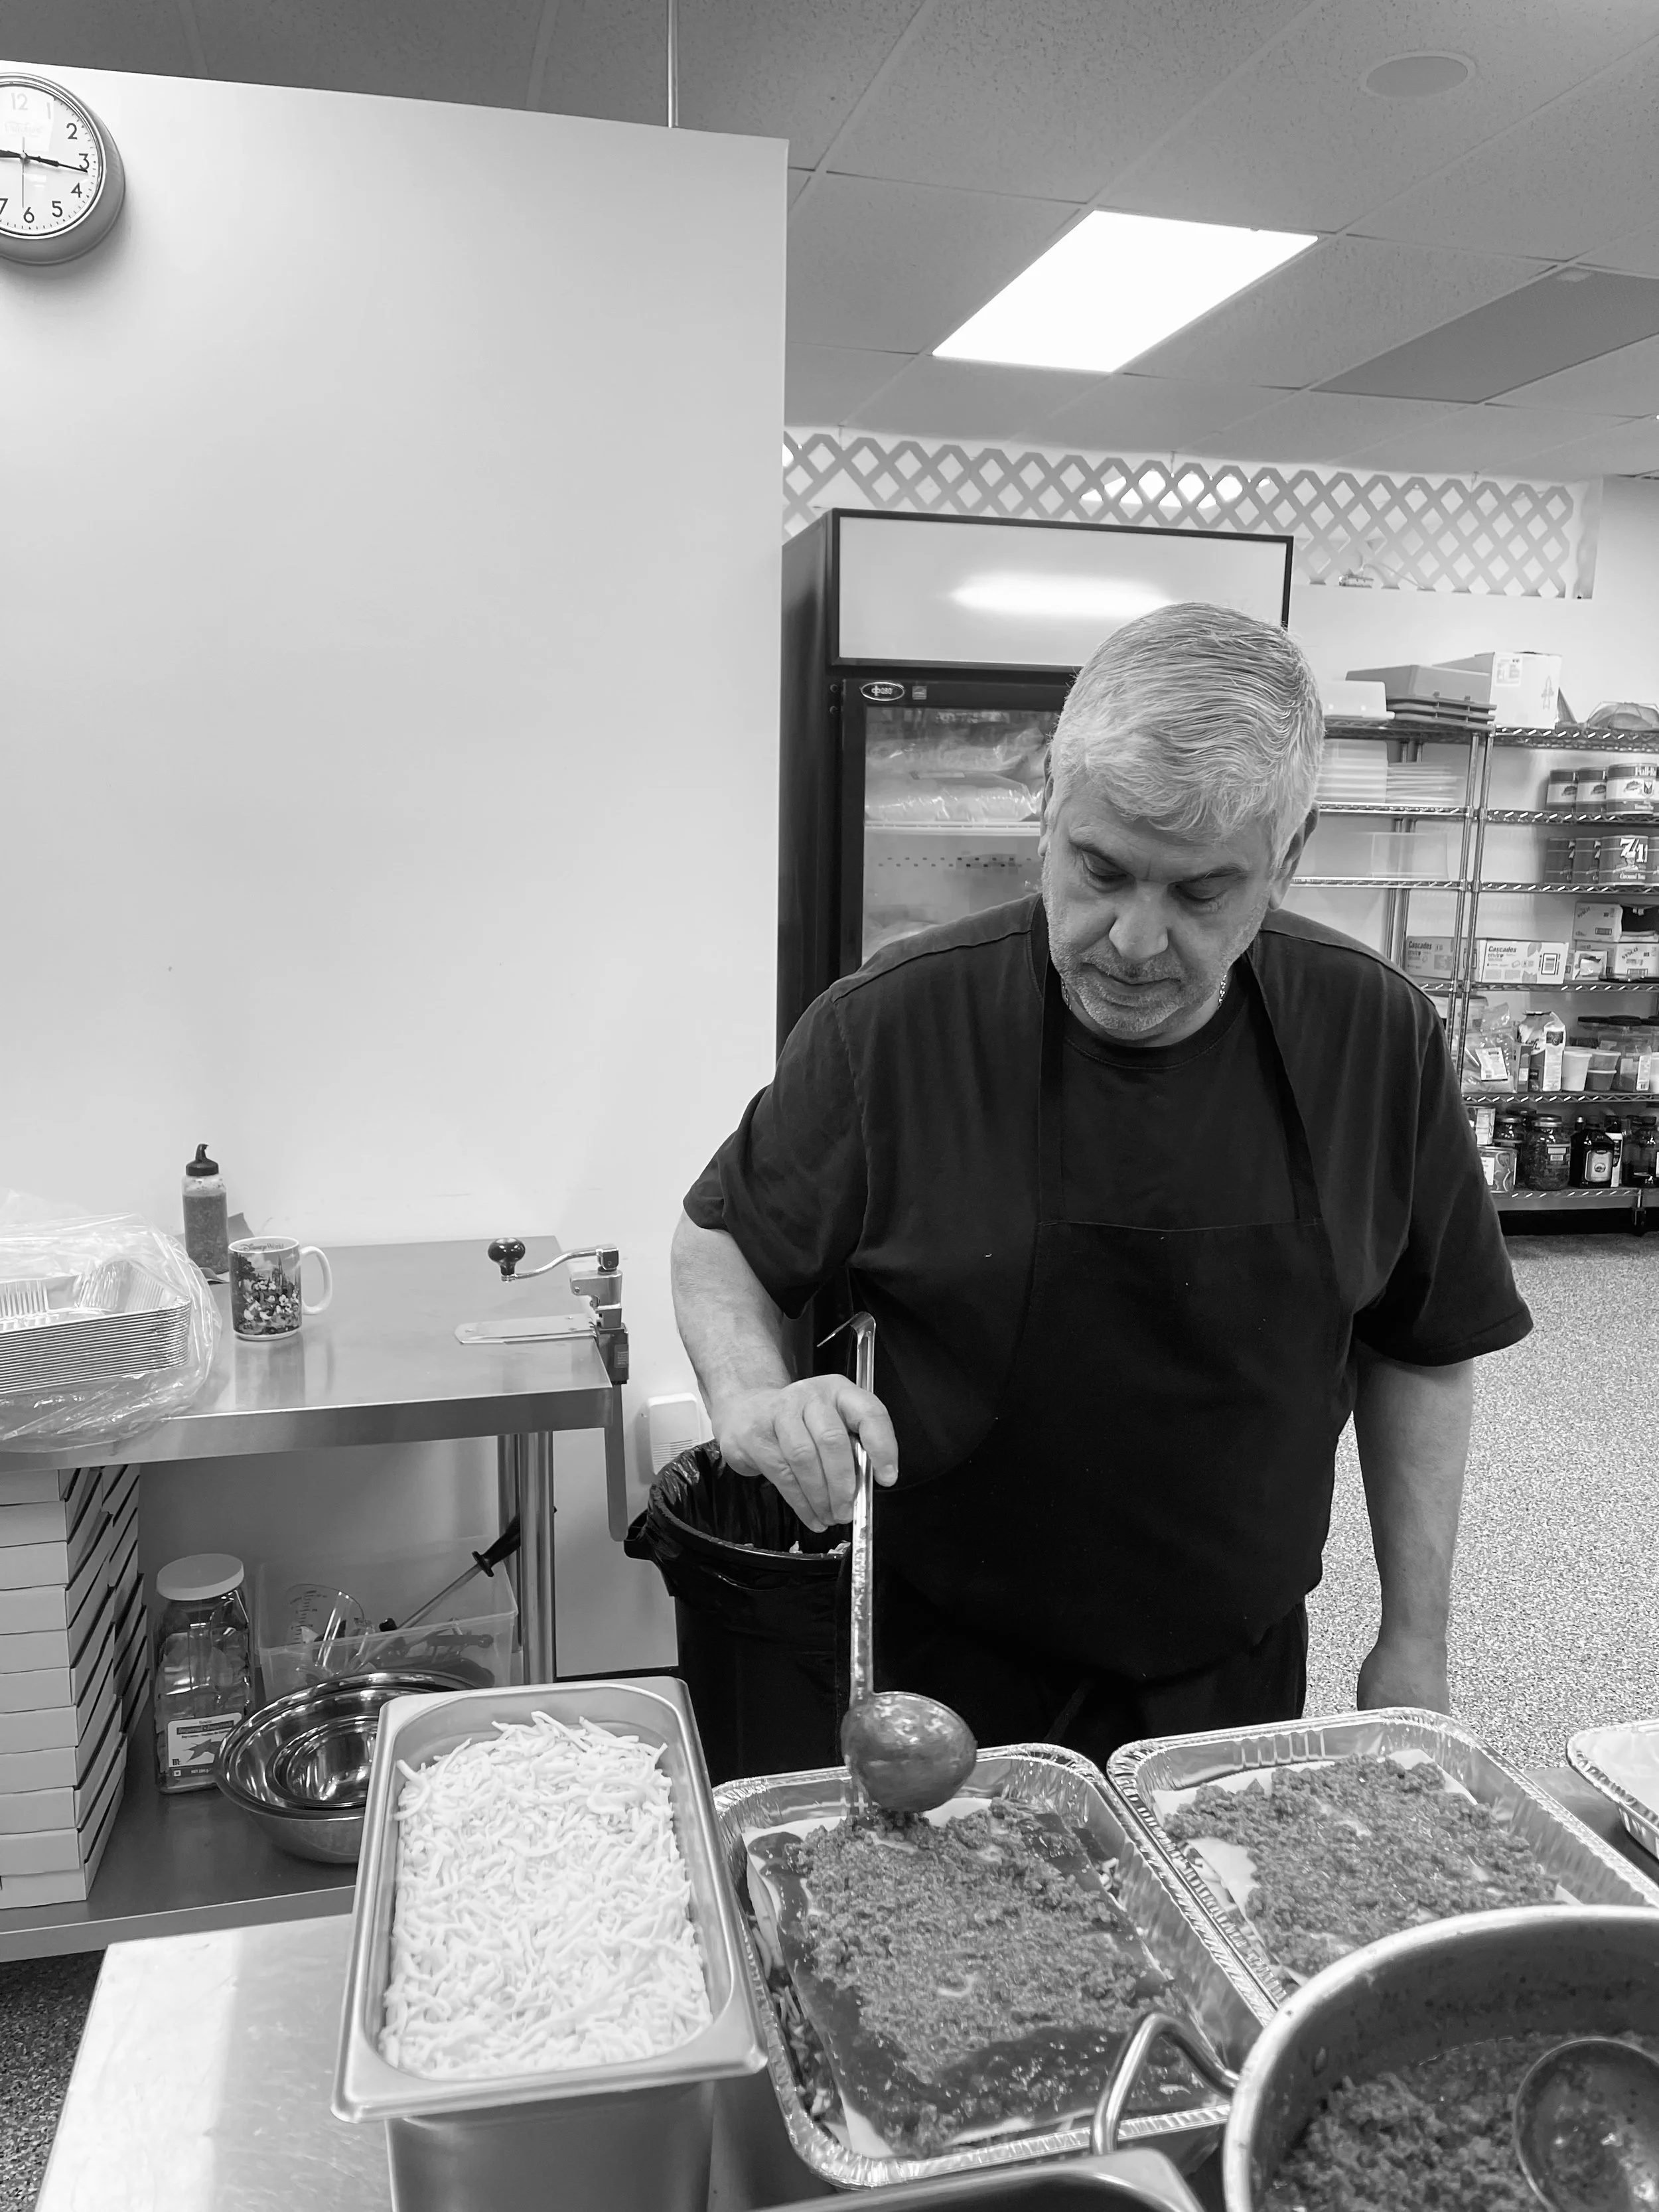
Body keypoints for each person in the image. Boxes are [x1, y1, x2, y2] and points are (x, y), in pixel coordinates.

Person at [672, 601, 1531, 1766]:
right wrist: (749, 1403)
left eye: (1199, 894)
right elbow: (720, 1244)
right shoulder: (893, 1029)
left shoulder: (1374, 1038)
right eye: (1103, 871)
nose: (1131, 940)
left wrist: (1414, 1639)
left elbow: (1423, 1345)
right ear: (1048, 813)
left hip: (1236, 1672)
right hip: (942, 1680)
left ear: (1287, 858)